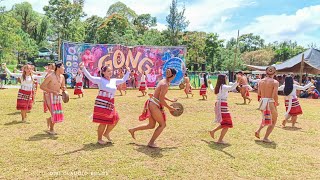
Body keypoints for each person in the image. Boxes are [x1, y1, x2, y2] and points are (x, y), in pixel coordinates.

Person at [79, 62, 130, 145]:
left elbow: (123, 80)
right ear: (103, 72)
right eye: (108, 71)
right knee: (103, 121)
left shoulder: (114, 81)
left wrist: (128, 72)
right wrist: (83, 68)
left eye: (111, 71)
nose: (110, 72)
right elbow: (90, 77)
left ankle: (106, 133)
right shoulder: (100, 80)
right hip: (102, 103)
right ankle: (99, 139)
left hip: (110, 103)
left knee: (116, 118)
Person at [128, 68, 178, 148]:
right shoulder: (165, 84)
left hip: (152, 103)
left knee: (151, 125)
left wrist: (170, 100)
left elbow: (160, 95)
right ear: (174, 75)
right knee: (162, 125)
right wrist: (169, 108)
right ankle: (151, 143)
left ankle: (132, 129)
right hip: (154, 105)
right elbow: (161, 99)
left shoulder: (164, 81)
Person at [209, 74, 238, 144]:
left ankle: (213, 132)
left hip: (219, 104)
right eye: (226, 78)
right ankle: (219, 139)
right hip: (223, 104)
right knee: (227, 123)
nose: (226, 79)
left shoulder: (218, 87)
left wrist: (210, 84)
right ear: (223, 79)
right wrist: (238, 81)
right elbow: (231, 88)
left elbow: (212, 89)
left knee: (225, 122)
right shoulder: (224, 86)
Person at [40, 61, 66, 135]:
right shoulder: (50, 76)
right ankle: (51, 130)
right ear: (58, 68)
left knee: (55, 112)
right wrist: (52, 91)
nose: (64, 68)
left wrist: (64, 89)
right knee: (54, 113)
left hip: (57, 96)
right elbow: (42, 86)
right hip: (49, 96)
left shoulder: (62, 77)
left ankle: (49, 120)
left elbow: (63, 86)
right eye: (63, 67)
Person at [255, 66, 279, 143]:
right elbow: (274, 94)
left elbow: (259, 93)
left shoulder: (260, 81)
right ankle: (265, 137)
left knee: (266, 118)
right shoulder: (275, 82)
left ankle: (258, 131)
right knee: (273, 120)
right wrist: (276, 102)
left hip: (262, 101)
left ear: (266, 72)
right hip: (270, 101)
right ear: (275, 73)